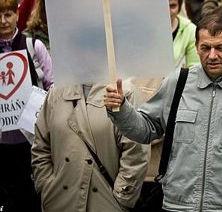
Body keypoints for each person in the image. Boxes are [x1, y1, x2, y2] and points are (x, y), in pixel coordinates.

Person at [104, 15, 222, 211]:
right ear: (196, 47)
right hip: (178, 205)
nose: (212, 55)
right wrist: (121, 108)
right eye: (205, 48)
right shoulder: (177, 83)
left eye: (220, 48)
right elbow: (146, 129)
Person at [32, 80, 150, 211]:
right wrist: (45, 185)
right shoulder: (56, 92)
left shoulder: (125, 92)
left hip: (105, 201)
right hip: (58, 200)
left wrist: (122, 197)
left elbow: (136, 154)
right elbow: (41, 145)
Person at [0, 0, 53, 211]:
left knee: (33, 197)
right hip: (2, 141)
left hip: (32, 140)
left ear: (17, 15)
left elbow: (53, 86)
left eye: (9, 14)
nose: (3, 21)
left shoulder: (34, 46)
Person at [168, 0, 200, 69]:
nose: (167, 11)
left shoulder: (190, 31)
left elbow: (194, 69)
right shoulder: (145, 29)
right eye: (163, 5)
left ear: (179, 7)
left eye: (172, 6)